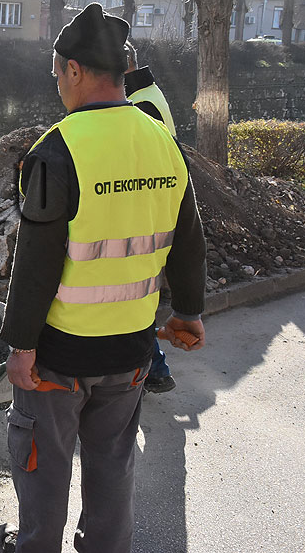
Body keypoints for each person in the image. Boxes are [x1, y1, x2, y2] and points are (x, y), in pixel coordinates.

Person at [0, 3, 207, 553]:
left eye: (56, 74)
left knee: (43, 467)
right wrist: (188, 313)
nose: (57, 85)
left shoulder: (55, 151)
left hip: (59, 358)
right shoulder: (162, 140)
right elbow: (188, 238)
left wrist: (21, 346)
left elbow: (37, 261)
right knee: (112, 467)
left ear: (74, 70)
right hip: (131, 352)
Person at [124, 41, 180, 394]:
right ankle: (155, 370)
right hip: (154, 210)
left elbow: (142, 166)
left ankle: (155, 370)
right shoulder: (147, 94)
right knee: (136, 296)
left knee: (133, 297)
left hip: (146, 214)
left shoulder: (141, 104)